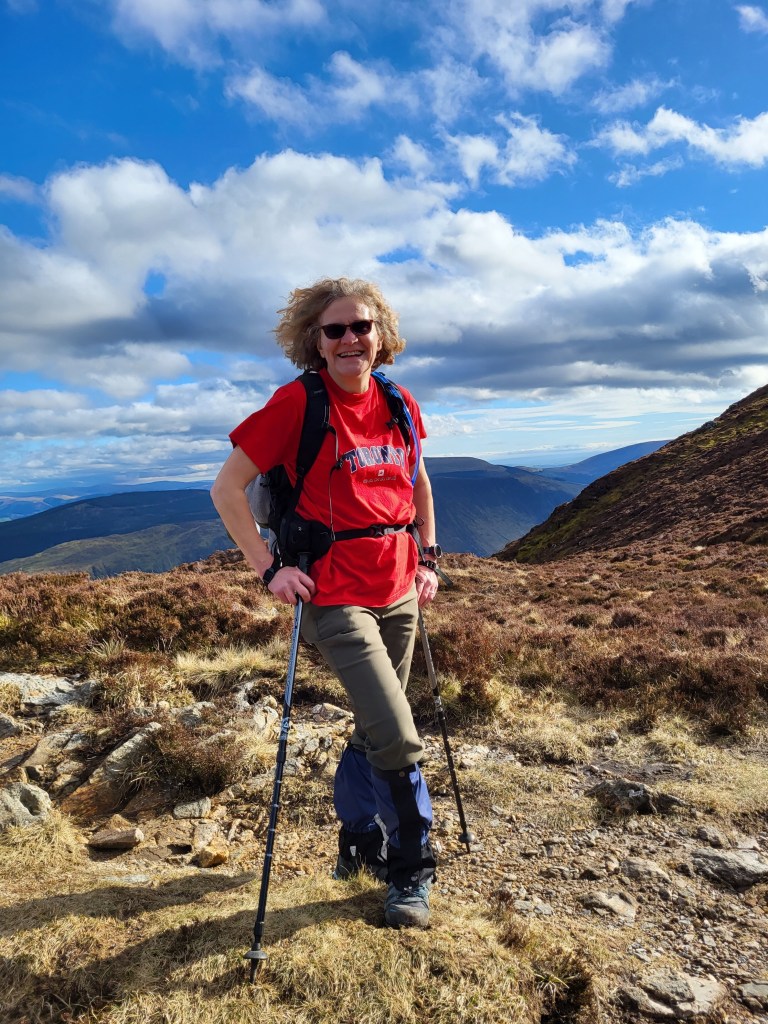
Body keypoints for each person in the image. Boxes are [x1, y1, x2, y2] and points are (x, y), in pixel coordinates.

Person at [211, 277, 441, 929]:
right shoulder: (295, 404)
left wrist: (427, 556)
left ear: (380, 335)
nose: (350, 339)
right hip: (334, 595)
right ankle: (411, 870)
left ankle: (358, 840)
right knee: (398, 734)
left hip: (398, 589)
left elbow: (419, 480)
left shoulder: (398, 402)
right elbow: (227, 489)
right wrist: (269, 571)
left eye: (361, 326)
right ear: (314, 340)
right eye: (335, 329)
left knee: (374, 727)